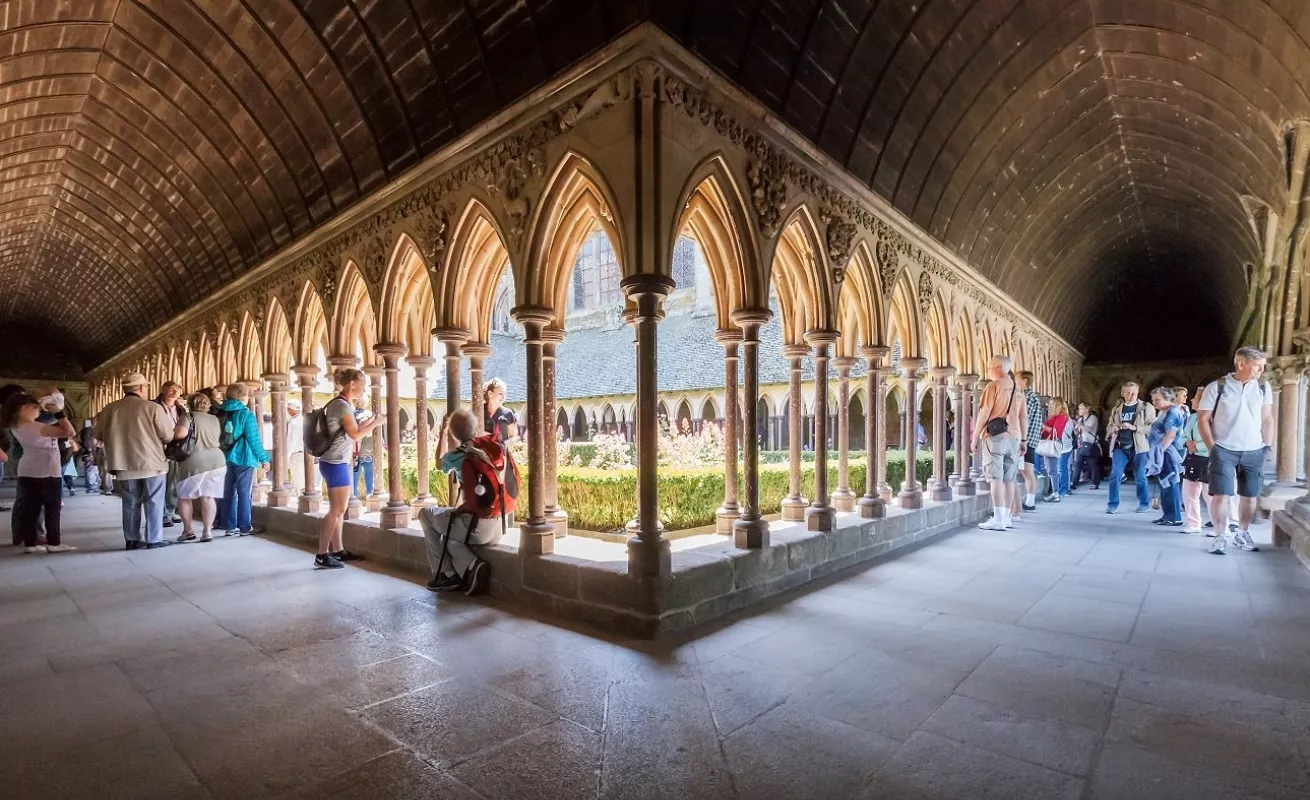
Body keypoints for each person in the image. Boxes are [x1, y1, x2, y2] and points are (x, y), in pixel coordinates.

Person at [417, 409, 504, 593]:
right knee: (451, 538)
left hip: (475, 527)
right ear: (475, 427)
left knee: (425, 514)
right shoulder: (491, 448)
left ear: (454, 433)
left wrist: (442, 432)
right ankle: (473, 566)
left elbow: (438, 464)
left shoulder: (456, 456)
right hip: (498, 525)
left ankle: (445, 574)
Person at [1198, 347, 1274, 555]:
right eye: (1258, 366)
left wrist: (1266, 446)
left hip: (1254, 450)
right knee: (1221, 495)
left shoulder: (1263, 386)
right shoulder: (1217, 387)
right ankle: (1220, 535)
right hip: (1224, 449)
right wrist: (1214, 448)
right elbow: (1203, 419)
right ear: (1241, 364)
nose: (1261, 370)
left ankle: (1242, 533)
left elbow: (1267, 418)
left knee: (1249, 496)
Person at [95, 373, 176, 549]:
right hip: (152, 464)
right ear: (140, 388)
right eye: (146, 387)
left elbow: (98, 434)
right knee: (154, 501)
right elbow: (168, 436)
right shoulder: (152, 408)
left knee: (130, 502)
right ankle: (154, 538)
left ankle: (131, 539)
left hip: (123, 462)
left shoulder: (110, 408)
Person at [315, 368, 378, 569]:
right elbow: (355, 435)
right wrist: (377, 424)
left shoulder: (340, 404)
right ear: (352, 384)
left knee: (339, 510)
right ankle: (322, 554)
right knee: (337, 510)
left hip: (334, 462)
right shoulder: (342, 406)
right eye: (363, 384)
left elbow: (354, 430)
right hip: (335, 463)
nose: (364, 388)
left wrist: (372, 421)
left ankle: (338, 550)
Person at [2, 393, 76, 553]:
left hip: (27, 470)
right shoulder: (36, 427)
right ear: (24, 408)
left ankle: (31, 543)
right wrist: (57, 410)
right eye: (35, 408)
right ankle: (54, 543)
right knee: (52, 508)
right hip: (47, 470)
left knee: (31, 508)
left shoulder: (16, 426)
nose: (38, 412)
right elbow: (70, 432)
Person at [972, 356, 1026, 530]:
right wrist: (1023, 439)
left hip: (996, 437)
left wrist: (974, 437)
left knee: (996, 478)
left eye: (989, 367)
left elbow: (984, 412)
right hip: (1015, 437)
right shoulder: (1018, 388)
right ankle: (1007, 517)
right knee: (1009, 480)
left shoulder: (993, 386)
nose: (987, 370)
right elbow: (1023, 416)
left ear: (997, 367)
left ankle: (998, 519)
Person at [216, 383, 270, 536]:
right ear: (242, 397)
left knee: (228, 492)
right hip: (244, 458)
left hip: (224, 457)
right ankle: (245, 526)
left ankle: (229, 526)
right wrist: (264, 459)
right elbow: (254, 440)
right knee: (244, 492)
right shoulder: (246, 414)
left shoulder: (219, 412)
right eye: (247, 395)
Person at [173, 393, 226, 543]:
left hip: (194, 460)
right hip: (217, 460)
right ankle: (207, 531)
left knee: (184, 497)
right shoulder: (214, 419)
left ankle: (188, 530)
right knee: (208, 497)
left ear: (190, 403)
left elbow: (179, 434)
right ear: (207, 404)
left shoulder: (188, 417)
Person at [1105, 382, 1157, 514]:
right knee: (1115, 474)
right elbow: (1109, 426)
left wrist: (1135, 428)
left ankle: (1144, 503)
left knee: (1140, 476)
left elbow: (1153, 428)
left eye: (1134, 392)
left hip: (1138, 447)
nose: (1131, 395)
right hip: (1120, 446)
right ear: (1122, 393)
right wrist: (1114, 428)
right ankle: (1113, 504)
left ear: (1138, 393)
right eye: (1128, 392)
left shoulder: (1146, 407)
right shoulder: (1117, 408)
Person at [1146, 387, 1186, 527]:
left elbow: (1171, 434)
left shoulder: (1172, 412)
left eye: (1157, 399)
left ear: (1168, 399)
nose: (1154, 402)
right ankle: (1167, 515)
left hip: (1168, 453)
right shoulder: (1164, 411)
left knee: (1170, 483)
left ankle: (1174, 517)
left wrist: (1160, 452)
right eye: (1153, 400)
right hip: (1162, 452)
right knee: (1164, 483)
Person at [1179, 386, 1211, 534]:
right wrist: (1187, 443)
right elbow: (1183, 436)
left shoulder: (1215, 417)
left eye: (1196, 397)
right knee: (1189, 492)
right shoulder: (1192, 417)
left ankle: (1220, 526)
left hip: (1209, 459)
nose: (1192, 400)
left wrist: (1197, 445)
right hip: (1193, 458)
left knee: (1210, 494)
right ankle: (1193, 523)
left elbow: (1214, 439)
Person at [154, 381, 184, 526]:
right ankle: (161, 514)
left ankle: (170, 512)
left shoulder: (180, 409)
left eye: (177, 390)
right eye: (172, 389)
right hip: (159, 448)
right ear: (163, 390)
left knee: (173, 483)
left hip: (175, 449)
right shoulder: (154, 406)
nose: (175, 392)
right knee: (160, 483)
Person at [1016, 371, 1044, 512]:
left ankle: (1030, 501)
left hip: (1026, 439)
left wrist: (1023, 439)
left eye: (1017, 378)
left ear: (1025, 380)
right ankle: (1028, 500)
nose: (1015, 381)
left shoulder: (1029, 396)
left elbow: (1025, 418)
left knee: (1027, 470)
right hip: (1027, 439)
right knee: (1025, 470)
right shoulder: (1029, 396)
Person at [1039, 397, 1074, 502]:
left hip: (1053, 445)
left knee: (1054, 470)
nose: (1049, 406)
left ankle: (1056, 493)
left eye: (1051, 404)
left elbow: (1056, 431)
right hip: (1050, 443)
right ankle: (1056, 492)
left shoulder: (1061, 417)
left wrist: (1043, 426)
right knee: (1051, 470)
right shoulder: (1058, 416)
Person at [1070, 403, 1101, 491]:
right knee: (1077, 464)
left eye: (1081, 408)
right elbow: (1077, 433)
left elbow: (1089, 428)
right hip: (1081, 444)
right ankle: (1074, 483)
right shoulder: (1080, 419)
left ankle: (1095, 483)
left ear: (1087, 409)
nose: (1079, 410)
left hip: (1090, 443)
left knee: (1092, 464)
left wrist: (1079, 425)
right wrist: (1075, 429)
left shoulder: (1093, 418)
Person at [353, 398, 375, 500]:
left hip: (356, 453)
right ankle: (371, 501)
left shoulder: (352, 415)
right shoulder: (371, 415)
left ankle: (354, 501)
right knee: (370, 480)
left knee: (354, 480)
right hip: (370, 451)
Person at [483, 378, 518, 444]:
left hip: (500, 452)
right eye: (500, 394)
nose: (503, 397)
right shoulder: (479, 411)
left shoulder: (508, 413)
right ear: (490, 394)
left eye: (504, 394)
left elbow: (513, 437)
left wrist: (502, 445)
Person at [286, 399, 304, 496]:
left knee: (297, 481)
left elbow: (292, 441)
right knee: (302, 480)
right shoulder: (303, 419)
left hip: (296, 454)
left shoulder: (293, 422)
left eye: (288, 409)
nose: (288, 411)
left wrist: (287, 456)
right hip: (303, 453)